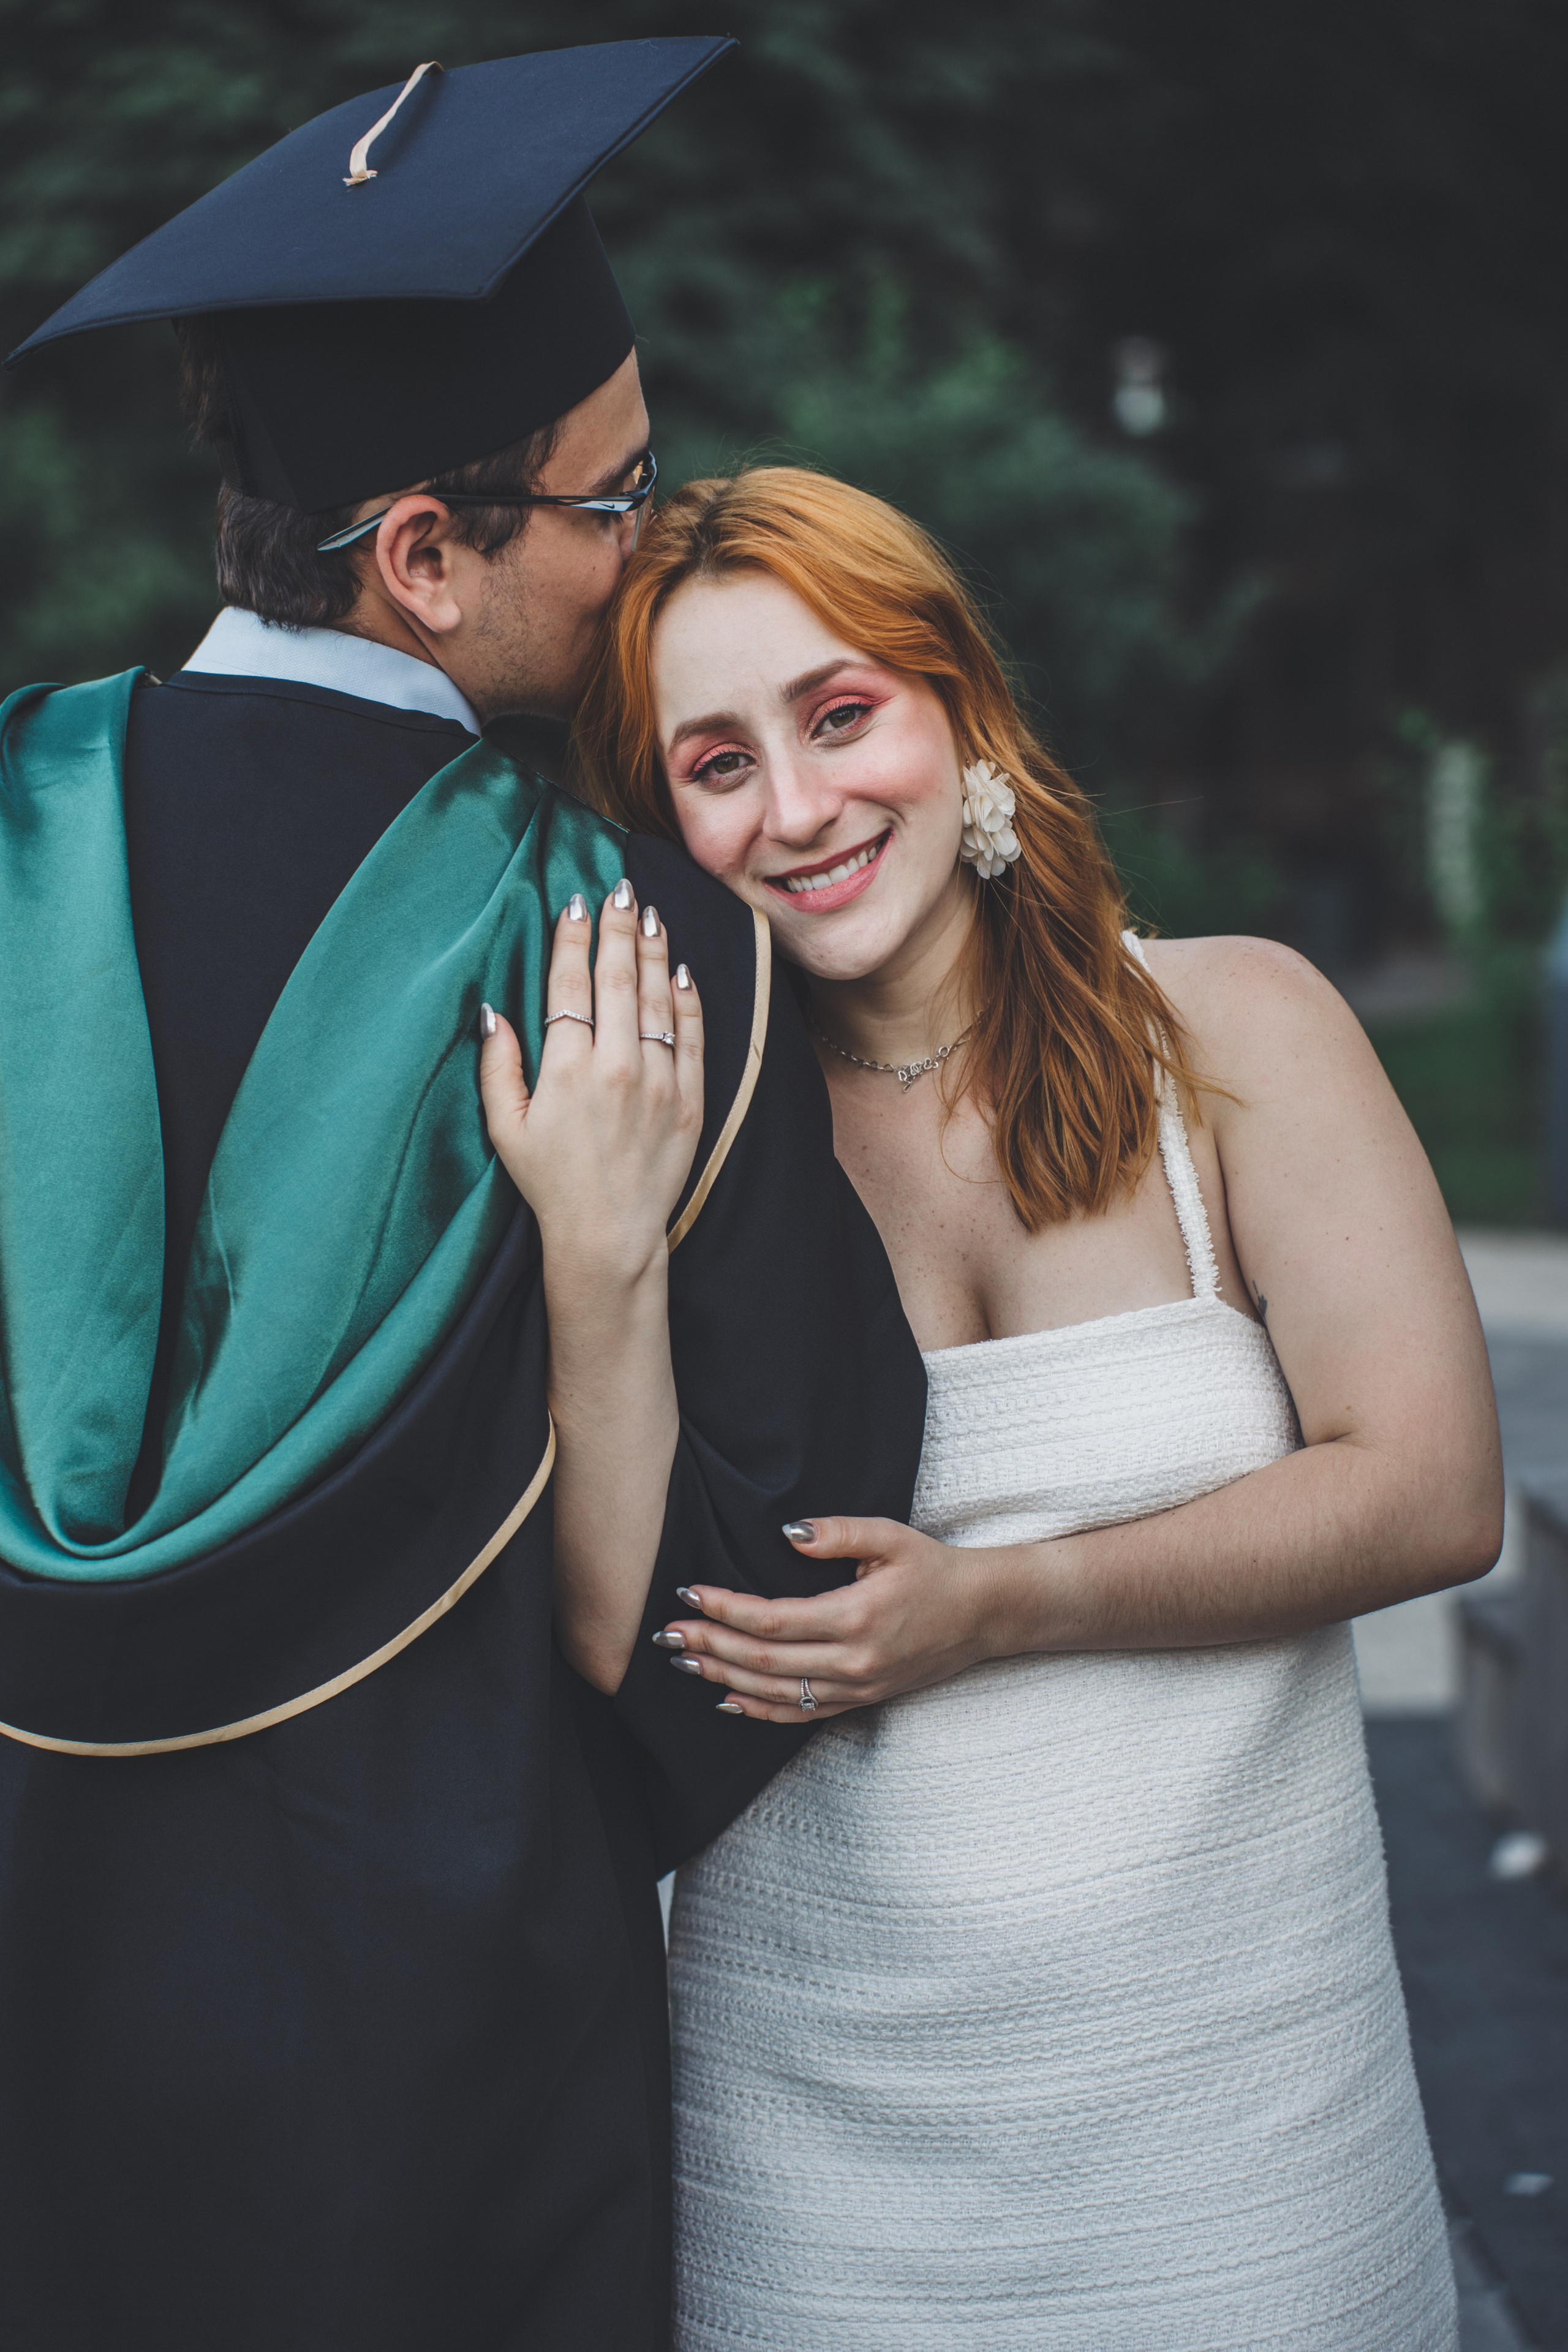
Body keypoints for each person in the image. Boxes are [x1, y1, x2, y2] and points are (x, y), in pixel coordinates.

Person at [0, 65, 923, 2352]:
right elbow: (763, 1585)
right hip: (432, 2047)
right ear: (423, 552)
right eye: (614, 500)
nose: (649, 547)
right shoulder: (637, 946)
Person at [551, 466, 1504, 2349]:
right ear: (655, 818)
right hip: (813, 2154)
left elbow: (1434, 1490)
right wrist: (596, 1246)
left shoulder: (1229, 1030)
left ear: (960, 705)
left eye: (842, 715)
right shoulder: (665, 1138)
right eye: (717, 762)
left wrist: (996, 1605)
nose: (801, 807)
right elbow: (603, 1640)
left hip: (1243, 2134)